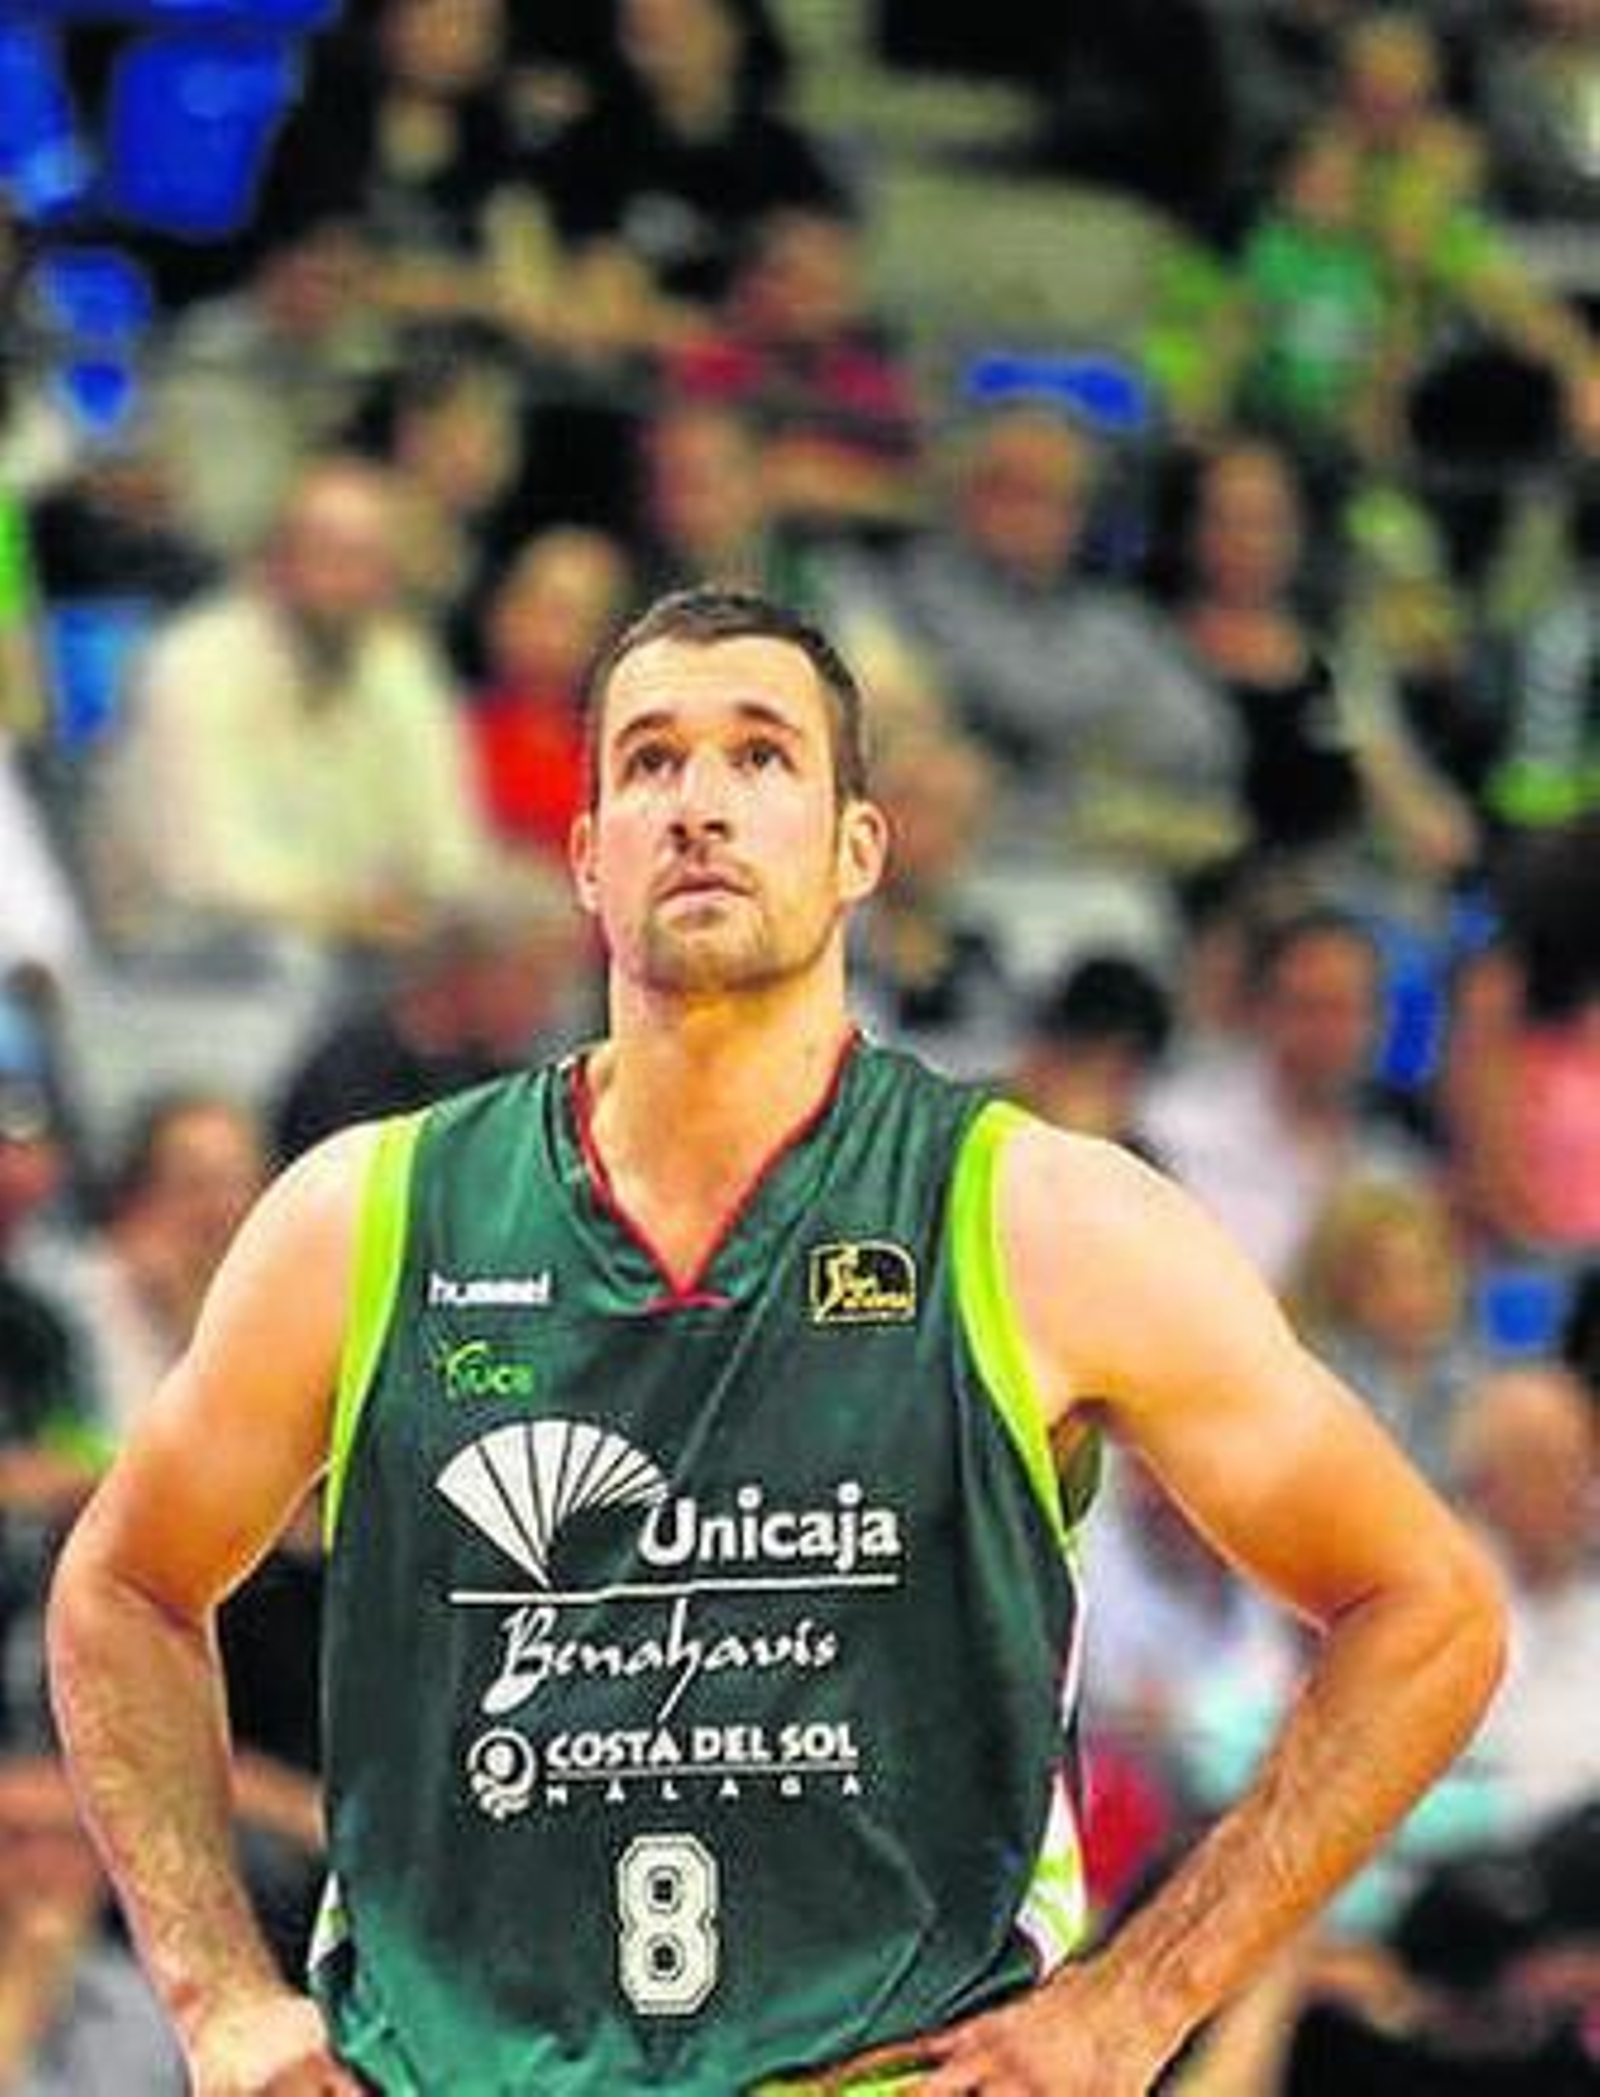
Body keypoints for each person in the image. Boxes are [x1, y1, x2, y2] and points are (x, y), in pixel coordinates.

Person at [45, 587, 1506, 2094]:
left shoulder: (1044, 1219)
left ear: (859, 846)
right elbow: (123, 1588)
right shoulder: (369, 1214)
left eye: (760, 755)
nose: (699, 804)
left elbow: (1428, 1611)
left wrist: (1141, 2001)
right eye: (650, 762)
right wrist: (220, 1997)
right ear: (587, 855)